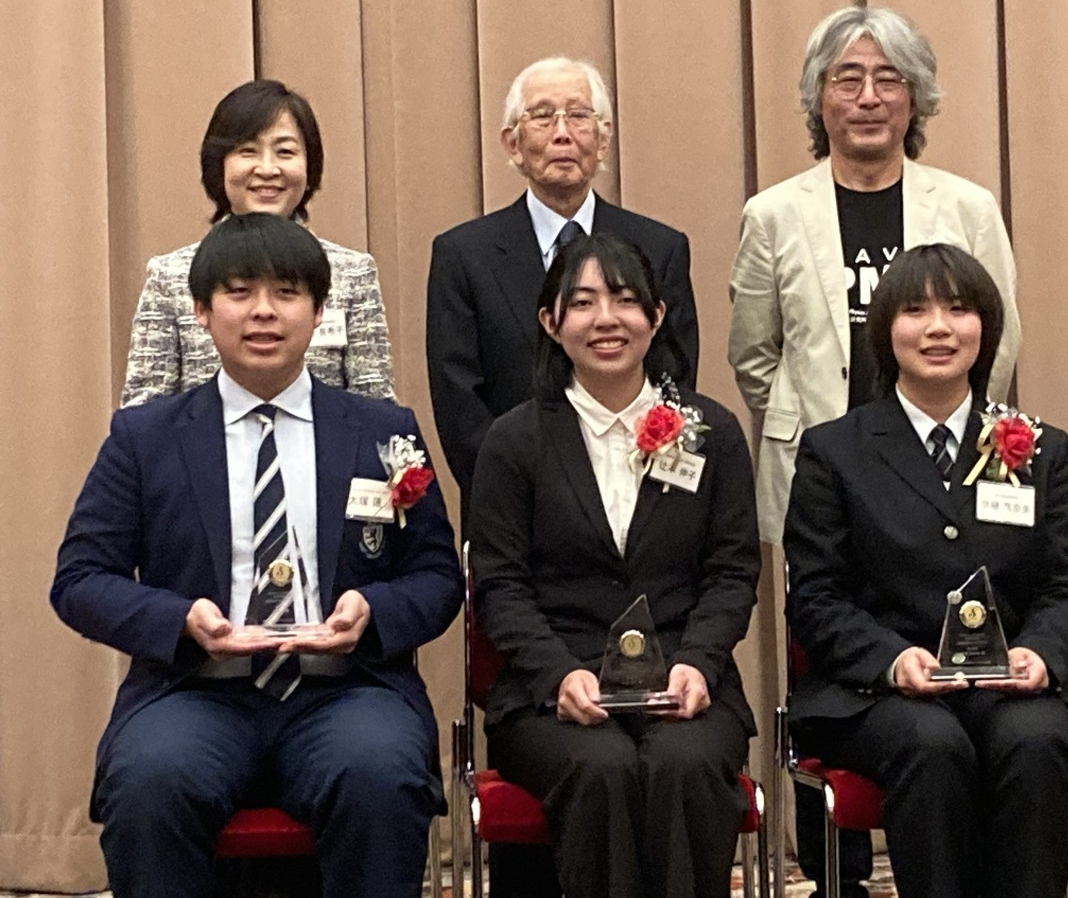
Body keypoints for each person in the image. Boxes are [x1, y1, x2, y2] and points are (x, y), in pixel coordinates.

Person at [52, 213, 461, 898]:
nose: (264, 312)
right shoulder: (145, 438)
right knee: (150, 784)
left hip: (347, 688)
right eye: (239, 292)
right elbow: (80, 580)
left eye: (287, 292)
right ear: (202, 312)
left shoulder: (383, 431)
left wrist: (373, 609)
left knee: (380, 776)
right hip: (195, 691)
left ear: (321, 311)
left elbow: (438, 576)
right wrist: (181, 619)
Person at [726, 7, 1023, 892]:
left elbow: (998, 340)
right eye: (846, 80)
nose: (866, 98)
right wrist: (826, 443)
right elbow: (754, 353)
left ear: (915, 96)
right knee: (830, 654)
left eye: (886, 79)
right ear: (819, 99)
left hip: (946, 474)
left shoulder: (965, 205)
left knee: (951, 645)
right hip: (823, 477)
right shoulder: (774, 212)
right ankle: (835, 868)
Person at [784, 243, 1068, 898]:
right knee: (929, 745)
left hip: (1007, 684)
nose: (938, 328)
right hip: (877, 694)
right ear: (884, 330)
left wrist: (1042, 654)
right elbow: (816, 598)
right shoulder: (835, 451)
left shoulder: (1038, 448)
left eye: (958, 310)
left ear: (985, 327)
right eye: (915, 310)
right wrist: (892, 660)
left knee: (1040, 738)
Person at [469, 232, 758, 898]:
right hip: (552, 694)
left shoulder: (709, 432)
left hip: (688, 680)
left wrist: (698, 662)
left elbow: (732, 572)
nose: (607, 320)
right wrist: (559, 674)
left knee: (682, 764)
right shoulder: (514, 440)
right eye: (584, 302)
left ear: (657, 317)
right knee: (600, 768)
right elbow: (502, 587)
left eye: (626, 300)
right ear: (551, 321)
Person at [427, 56, 699, 524]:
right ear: (511, 143)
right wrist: (519, 491)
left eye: (578, 115)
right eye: (542, 116)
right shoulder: (463, 254)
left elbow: (675, 377)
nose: (562, 133)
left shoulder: (659, 247)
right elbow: (458, 406)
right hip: (513, 513)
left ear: (605, 138)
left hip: (638, 507)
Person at [122, 79, 394, 407]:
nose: (267, 169)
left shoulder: (352, 272)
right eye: (247, 151)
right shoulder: (170, 275)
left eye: (285, 152)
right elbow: (144, 412)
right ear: (219, 164)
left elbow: (374, 404)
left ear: (310, 164)